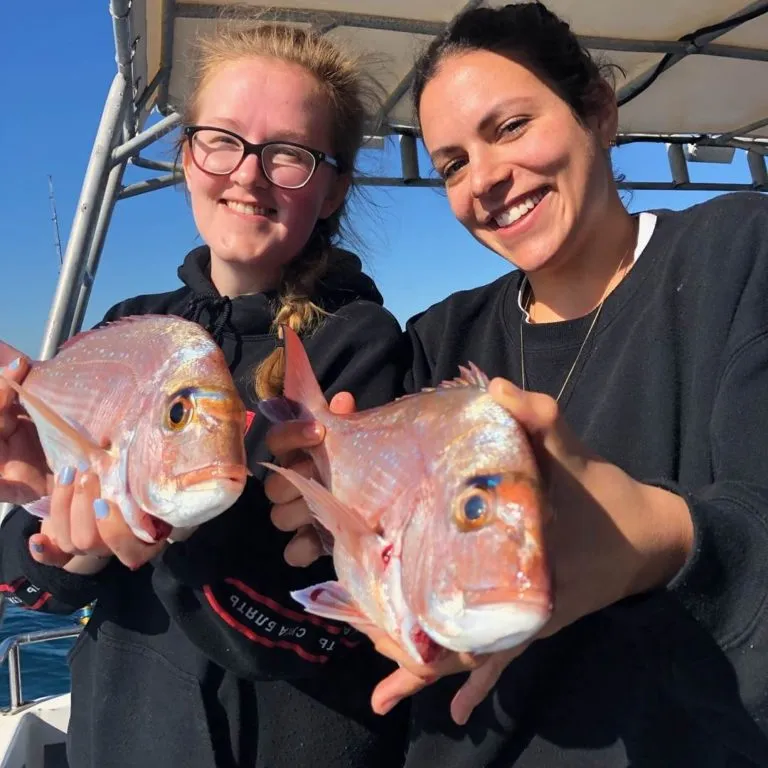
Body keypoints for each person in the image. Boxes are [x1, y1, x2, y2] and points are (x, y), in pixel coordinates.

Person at [263, 3, 768, 766]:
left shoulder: (738, 253)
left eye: (509, 127)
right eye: (453, 164)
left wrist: (653, 541)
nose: (487, 180)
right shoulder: (438, 340)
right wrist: (325, 501)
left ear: (597, 111)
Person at [0, 22, 412, 768]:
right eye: (222, 139)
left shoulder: (359, 348)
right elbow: (30, 584)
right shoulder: (128, 328)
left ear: (334, 188)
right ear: (188, 156)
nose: (248, 175)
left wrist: (178, 532)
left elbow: (321, 627)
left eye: (288, 153)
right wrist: (40, 501)